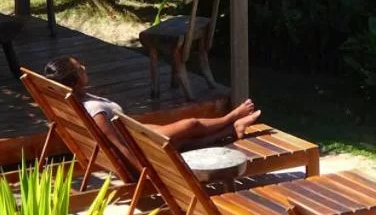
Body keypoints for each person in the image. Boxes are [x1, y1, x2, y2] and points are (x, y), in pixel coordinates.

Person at [44, 55, 262, 149]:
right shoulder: (94, 110)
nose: (85, 68)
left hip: (137, 132)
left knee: (184, 140)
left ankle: (233, 129)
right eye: (80, 68)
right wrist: (140, 170)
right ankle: (231, 117)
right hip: (138, 144)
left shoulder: (75, 101)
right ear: (73, 80)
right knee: (191, 125)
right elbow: (116, 145)